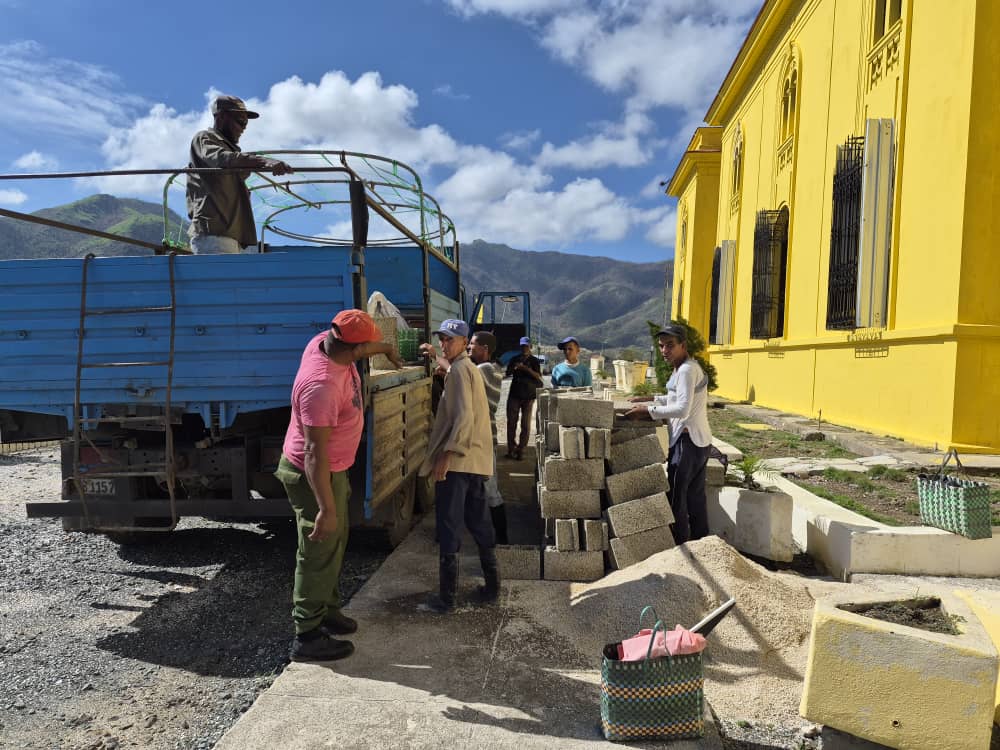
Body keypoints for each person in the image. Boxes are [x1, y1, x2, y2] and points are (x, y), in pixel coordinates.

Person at [276, 308, 402, 662]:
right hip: (312, 473)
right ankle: (307, 635)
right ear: (349, 346)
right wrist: (326, 509)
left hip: (333, 468)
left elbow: (361, 349)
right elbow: (315, 453)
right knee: (318, 548)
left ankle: (326, 610)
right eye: (363, 347)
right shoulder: (321, 386)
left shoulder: (324, 342)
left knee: (337, 542)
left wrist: (387, 350)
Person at [418, 319, 496, 613]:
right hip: (475, 460)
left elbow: (463, 418)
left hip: (459, 462)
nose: (444, 344)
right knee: (478, 522)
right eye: (442, 339)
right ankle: (492, 587)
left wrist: (446, 455)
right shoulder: (464, 368)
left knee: (449, 526)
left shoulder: (462, 370)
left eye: (450, 339)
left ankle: (446, 599)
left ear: (464, 342)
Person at [624, 324, 712, 545]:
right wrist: (651, 398)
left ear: (683, 345)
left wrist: (648, 411)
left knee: (676, 498)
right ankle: (702, 543)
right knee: (695, 497)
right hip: (699, 442)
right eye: (662, 346)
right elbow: (675, 397)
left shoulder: (686, 370)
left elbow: (681, 408)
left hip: (687, 443)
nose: (665, 350)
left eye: (670, 346)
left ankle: (681, 546)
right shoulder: (684, 368)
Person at [186, 94, 293, 254]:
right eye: (240, 121)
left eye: (246, 123)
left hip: (232, 236)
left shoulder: (232, 152)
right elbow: (221, 158)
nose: (244, 127)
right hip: (214, 234)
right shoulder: (204, 138)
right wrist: (264, 161)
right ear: (221, 117)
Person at [467, 331, 509, 544]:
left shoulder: (486, 369)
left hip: (484, 439)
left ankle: (502, 540)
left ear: (484, 348)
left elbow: (464, 374)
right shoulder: (487, 368)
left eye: (472, 344)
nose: (468, 347)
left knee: (491, 491)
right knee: (481, 490)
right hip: (480, 439)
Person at [504, 336, 543, 460]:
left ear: (530, 347)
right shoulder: (514, 359)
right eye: (522, 346)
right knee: (511, 423)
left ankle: (521, 449)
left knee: (525, 425)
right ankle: (511, 449)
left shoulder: (534, 361)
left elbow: (538, 376)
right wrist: (514, 368)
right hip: (514, 394)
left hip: (529, 396)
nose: (525, 348)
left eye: (526, 346)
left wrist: (525, 369)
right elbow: (507, 373)